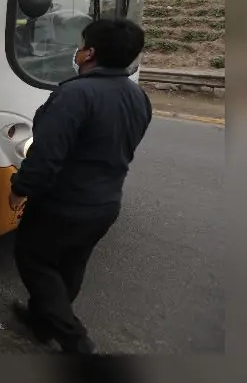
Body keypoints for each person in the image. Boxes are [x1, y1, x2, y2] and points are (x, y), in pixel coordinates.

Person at [9, 19, 152, 355]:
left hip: (64, 203)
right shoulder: (137, 96)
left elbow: (45, 157)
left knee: (34, 260)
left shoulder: (75, 94)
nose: (78, 50)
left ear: (90, 53)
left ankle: (75, 340)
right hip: (106, 204)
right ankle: (41, 321)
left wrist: (20, 188)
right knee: (70, 265)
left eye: (83, 43)